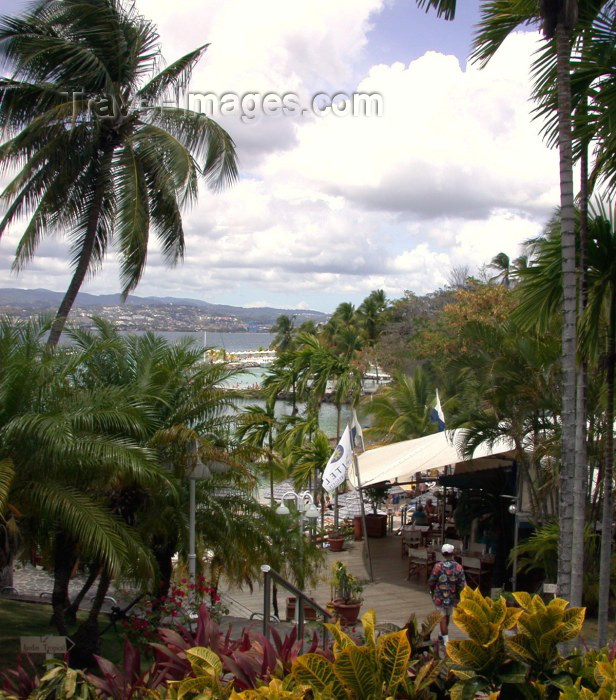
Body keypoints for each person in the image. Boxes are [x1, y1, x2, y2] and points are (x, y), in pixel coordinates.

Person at [428, 543, 466, 646]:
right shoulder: (458, 567)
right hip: (452, 597)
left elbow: (431, 581)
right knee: (447, 617)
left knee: (443, 618)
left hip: (439, 597)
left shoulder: (438, 566)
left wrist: (432, 591)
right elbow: (462, 585)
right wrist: (459, 597)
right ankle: (442, 636)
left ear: (442, 554)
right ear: (452, 553)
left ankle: (445, 642)